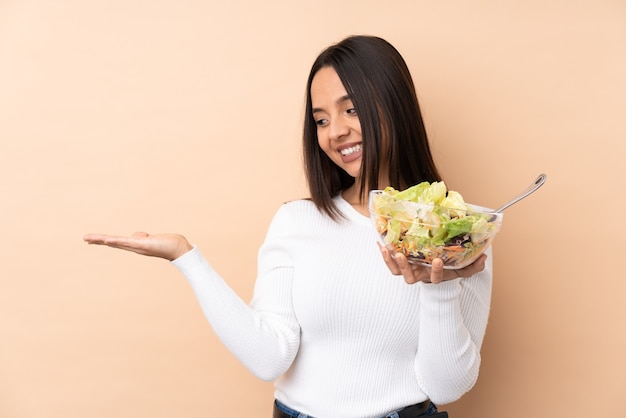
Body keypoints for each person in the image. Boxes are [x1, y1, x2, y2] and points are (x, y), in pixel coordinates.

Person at [84, 35, 492, 418]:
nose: (336, 132)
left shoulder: (460, 233)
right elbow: (269, 357)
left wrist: (439, 285)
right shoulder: (297, 221)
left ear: (394, 106)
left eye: (351, 109)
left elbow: (446, 387)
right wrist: (186, 257)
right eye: (321, 120)